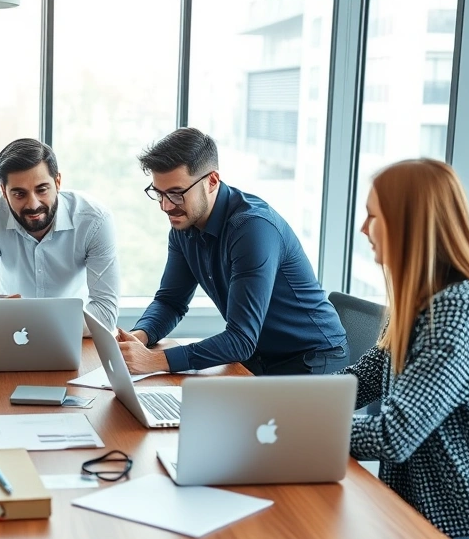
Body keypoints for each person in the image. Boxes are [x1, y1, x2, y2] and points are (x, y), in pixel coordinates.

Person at [347, 158, 469, 539]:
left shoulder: (458, 310)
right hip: (415, 515)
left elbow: (394, 433)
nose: (363, 230)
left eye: (373, 216)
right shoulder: (418, 303)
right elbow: (359, 382)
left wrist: (294, 428)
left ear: (408, 225)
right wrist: (280, 404)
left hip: (468, 532)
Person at [118, 128, 347, 375]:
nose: (165, 206)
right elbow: (170, 302)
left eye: (176, 194)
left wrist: (156, 361)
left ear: (212, 181)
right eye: (158, 193)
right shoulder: (183, 226)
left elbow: (240, 340)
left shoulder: (252, 228)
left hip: (313, 359)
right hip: (259, 357)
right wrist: (138, 337)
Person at [0, 138, 120, 331]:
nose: (33, 204)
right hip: (12, 334)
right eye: (19, 194)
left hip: (72, 337)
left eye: (42, 189)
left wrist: (24, 321)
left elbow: (105, 314)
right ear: (4, 191)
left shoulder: (95, 220)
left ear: (58, 182)